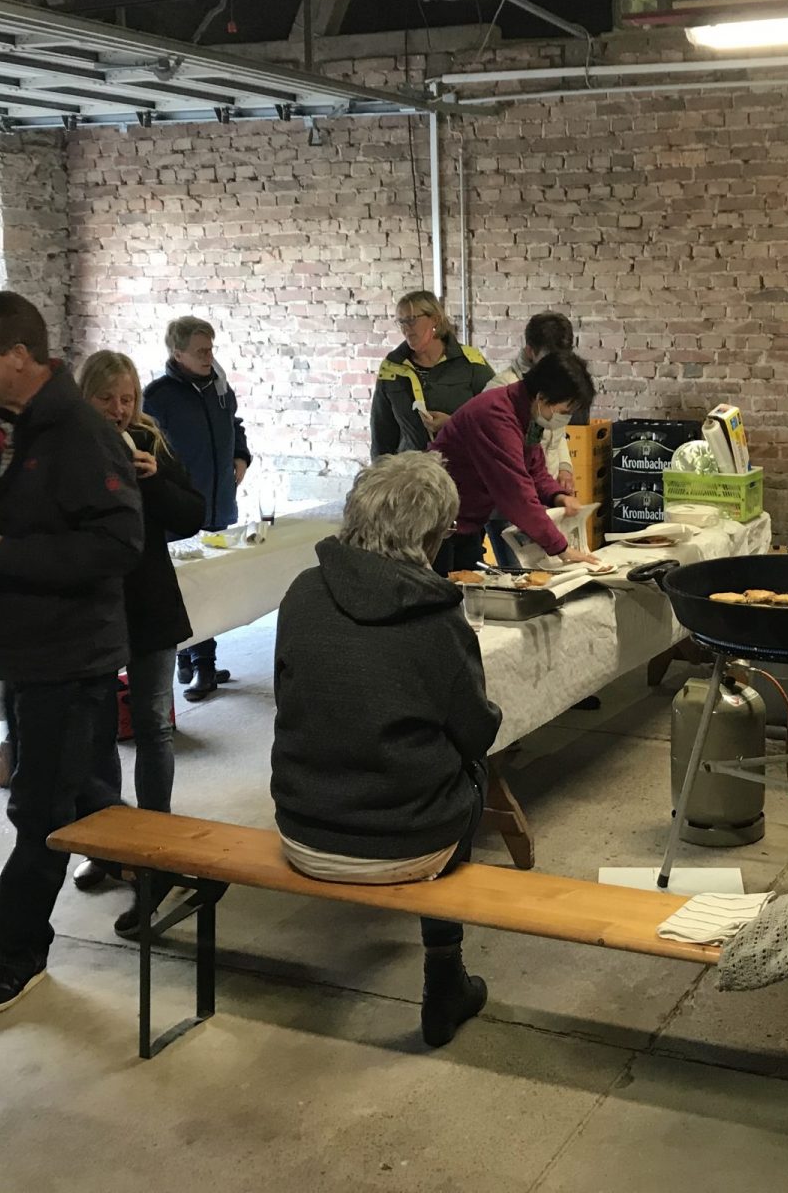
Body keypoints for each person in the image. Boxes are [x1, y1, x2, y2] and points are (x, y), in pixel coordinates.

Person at [0, 291, 143, 1019]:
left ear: (18, 355)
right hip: (19, 647)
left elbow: (119, 544)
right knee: (76, 789)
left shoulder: (81, 432)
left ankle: (19, 954)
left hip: (71, 652)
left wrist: (10, 554)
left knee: (38, 807)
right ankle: (164, 867)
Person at [271, 452, 500, 1048]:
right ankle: (444, 973)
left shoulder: (303, 592)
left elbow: (288, 699)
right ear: (431, 537)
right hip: (403, 845)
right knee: (471, 770)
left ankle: (445, 973)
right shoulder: (437, 617)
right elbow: (477, 733)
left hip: (302, 829)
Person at [78, 351, 207, 934]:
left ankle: (154, 846)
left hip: (149, 605)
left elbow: (192, 514)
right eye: (106, 398)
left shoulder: (150, 442)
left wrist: (155, 482)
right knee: (97, 729)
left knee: (154, 725)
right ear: (86, 397)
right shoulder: (69, 447)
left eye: (127, 398)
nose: (118, 409)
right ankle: (108, 843)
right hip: (93, 607)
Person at [144, 316, 250, 703]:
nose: (209, 356)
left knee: (212, 584)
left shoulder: (219, 388)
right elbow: (150, 448)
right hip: (180, 508)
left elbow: (234, 426)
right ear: (178, 354)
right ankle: (200, 664)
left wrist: (241, 455)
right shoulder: (158, 396)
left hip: (218, 503)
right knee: (188, 589)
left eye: (211, 349)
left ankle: (192, 658)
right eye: (201, 351)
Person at [427, 351, 602, 576]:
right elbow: (516, 492)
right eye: (564, 412)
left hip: (465, 521)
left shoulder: (527, 413)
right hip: (436, 521)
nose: (565, 419)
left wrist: (558, 496)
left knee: (470, 585)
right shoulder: (496, 416)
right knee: (445, 589)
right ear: (541, 398)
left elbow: (535, 469)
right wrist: (561, 548)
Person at [485, 311, 582, 568]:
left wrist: (563, 469)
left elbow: (553, 435)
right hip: (509, 505)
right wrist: (560, 547)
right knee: (523, 577)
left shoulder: (553, 386)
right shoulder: (501, 392)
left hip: (542, 493)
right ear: (530, 351)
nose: (557, 366)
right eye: (549, 359)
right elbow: (514, 479)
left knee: (552, 572)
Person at [370, 291, 494, 458]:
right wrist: (380, 472)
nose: (406, 328)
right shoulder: (392, 368)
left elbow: (495, 418)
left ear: (435, 319)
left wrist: (452, 424)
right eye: (401, 322)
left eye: (412, 320)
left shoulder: (471, 362)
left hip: (462, 466)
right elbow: (382, 436)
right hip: (411, 469)